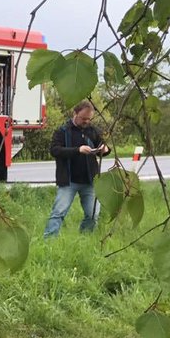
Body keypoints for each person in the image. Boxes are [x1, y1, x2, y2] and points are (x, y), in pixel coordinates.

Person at [43, 100, 110, 238]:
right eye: (83, 118)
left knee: (93, 215)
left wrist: (105, 150)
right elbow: (55, 150)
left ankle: (84, 240)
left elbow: (103, 147)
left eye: (89, 119)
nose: (86, 121)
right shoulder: (62, 131)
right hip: (69, 180)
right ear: (75, 113)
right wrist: (77, 150)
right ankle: (48, 241)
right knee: (58, 213)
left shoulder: (93, 131)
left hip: (90, 181)